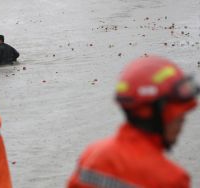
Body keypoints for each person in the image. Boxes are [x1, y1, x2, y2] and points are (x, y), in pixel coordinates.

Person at [67, 56, 199, 188]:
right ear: (154, 113)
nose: (182, 122)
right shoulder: (171, 179)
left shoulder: (92, 154)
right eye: (178, 116)